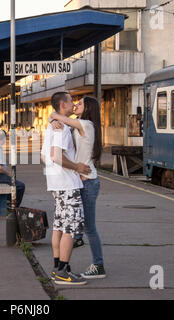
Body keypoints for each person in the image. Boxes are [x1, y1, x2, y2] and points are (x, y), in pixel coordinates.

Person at [50, 96, 106, 279]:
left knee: (89, 227)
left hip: (88, 182)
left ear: (88, 108)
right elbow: (60, 120)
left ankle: (98, 265)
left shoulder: (87, 124)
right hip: (80, 181)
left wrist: (54, 117)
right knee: (76, 223)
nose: (76, 105)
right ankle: (76, 241)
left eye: (80, 103)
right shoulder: (78, 125)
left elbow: (59, 116)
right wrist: (54, 121)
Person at [41, 92, 91, 286]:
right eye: (71, 101)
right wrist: (77, 167)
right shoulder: (60, 129)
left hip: (55, 183)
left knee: (59, 226)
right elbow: (57, 157)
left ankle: (58, 268)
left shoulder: (52, 126)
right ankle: (63, 271)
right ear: (63, 104)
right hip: (67, 184)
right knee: (69, 229)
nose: (74, 104)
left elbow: (45, 157)